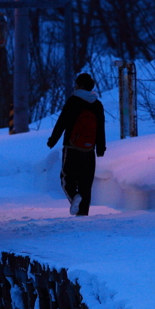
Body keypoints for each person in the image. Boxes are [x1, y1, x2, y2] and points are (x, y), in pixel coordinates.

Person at [47, 72, 106, 216]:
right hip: (89, 149)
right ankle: (83, 215)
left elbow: (62, 122)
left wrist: (52, 140)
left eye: (76, 84)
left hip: (72, 147)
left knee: (67, 178)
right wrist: (100, 148)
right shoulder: (97, 104)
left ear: (80, 86)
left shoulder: (73, 101)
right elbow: (100, 127)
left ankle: (74, 196)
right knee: (86, 183)